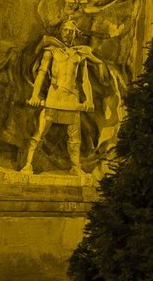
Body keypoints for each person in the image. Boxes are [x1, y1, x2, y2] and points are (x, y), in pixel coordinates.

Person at [24, 16, 104, 174]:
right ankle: (28, 164)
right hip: (54, 97)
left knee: (75, 138)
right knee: (39, 133)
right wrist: (35, 95)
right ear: (60, 32)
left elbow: (84, 80)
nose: (67, 33)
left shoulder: (79, 54)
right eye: (65, 30)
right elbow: (41, 73)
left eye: (71, 31)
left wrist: (88, 99)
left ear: (75, 34)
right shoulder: (52, 51)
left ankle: (76, 167)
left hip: (71, 98)